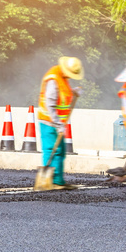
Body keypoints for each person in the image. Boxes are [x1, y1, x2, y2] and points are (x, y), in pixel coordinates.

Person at [37, 57, 84, 190]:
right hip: (48, 121)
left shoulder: (63, 78)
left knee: (61, 151)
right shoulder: (53, 79)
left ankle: (58, 180)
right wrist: (58, 124)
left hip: (57, 122)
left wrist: (73, 91)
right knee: (52, 150)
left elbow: (62, 95)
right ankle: (51, 180)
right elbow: (50, 104)